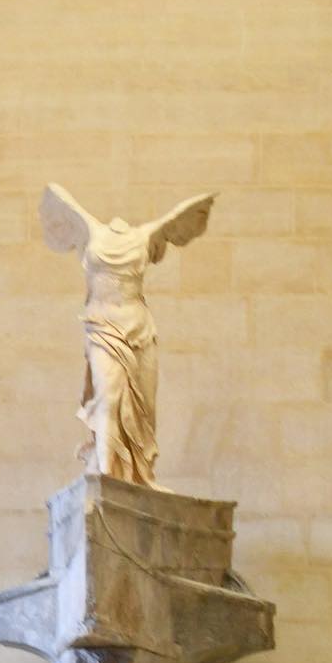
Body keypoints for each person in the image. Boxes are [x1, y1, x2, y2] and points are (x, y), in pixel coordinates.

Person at [39, 183, 215, 486]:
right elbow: (56, 199)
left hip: (138, 328)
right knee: (108, 397)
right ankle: (108, 477)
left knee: (141, 411)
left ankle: (136, 475)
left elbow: (183, 219)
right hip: (102, 326)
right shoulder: (90, 230)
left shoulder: (146, 236)